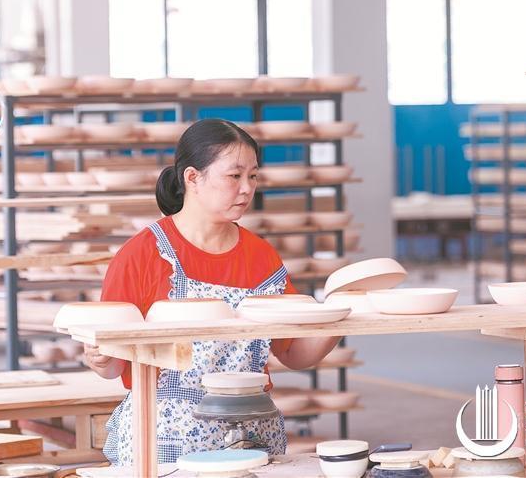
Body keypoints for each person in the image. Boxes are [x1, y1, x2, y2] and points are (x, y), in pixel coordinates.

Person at [84, 118, 341, 465]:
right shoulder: (142, 254)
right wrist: (100, 359)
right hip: (163, 440)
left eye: (253, 176)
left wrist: (342, 313)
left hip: (250, 434)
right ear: (192, 178)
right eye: (234, 176)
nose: (247, 188)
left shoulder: (262, 257)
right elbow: (113, 365)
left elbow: (293, 353)